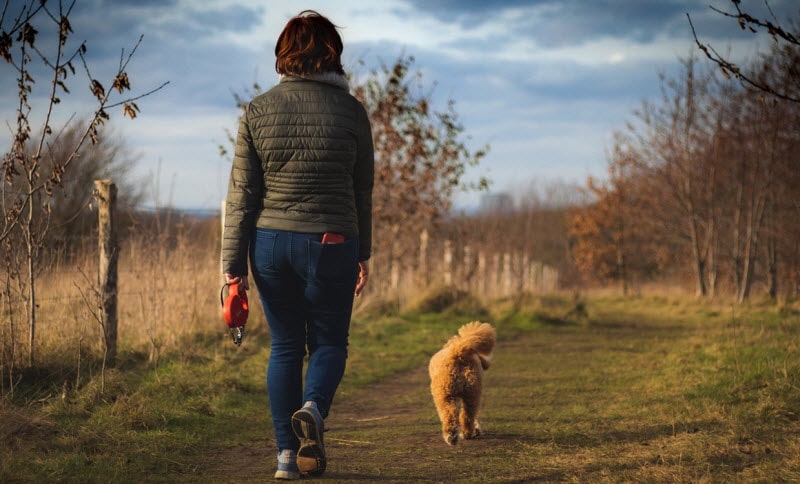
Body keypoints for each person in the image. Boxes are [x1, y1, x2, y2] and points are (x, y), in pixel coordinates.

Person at [221, 10, 373, 480]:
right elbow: (361, 189)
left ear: (284, 55)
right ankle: (313, 408)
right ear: (333, 55)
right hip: (331, 242)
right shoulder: (351, 112)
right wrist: (363, 251)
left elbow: (241, 194)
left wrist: (232, 266)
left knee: (284, 346)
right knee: (329, 342)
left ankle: (287, 457)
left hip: (268, 245)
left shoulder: (258, 110)